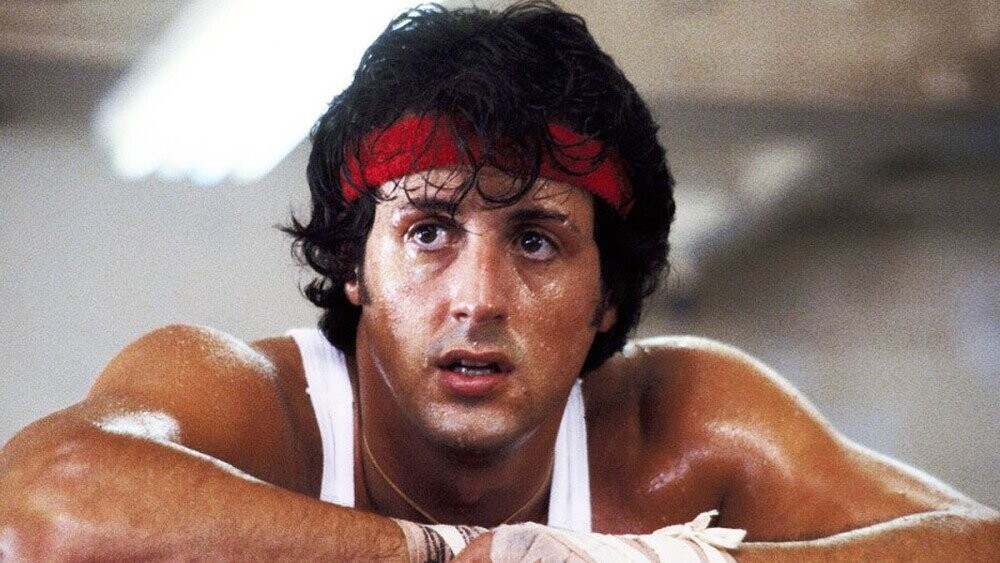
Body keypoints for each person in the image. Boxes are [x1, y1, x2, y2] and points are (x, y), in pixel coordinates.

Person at [1, 2, 996, 560]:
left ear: (609, 293)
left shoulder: (681, 428)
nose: (477, 295)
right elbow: (35, 510)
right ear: (354, 264)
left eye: (535, 241)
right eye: (429, 231)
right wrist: (435, 553)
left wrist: (657, 562)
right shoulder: (259, 406)